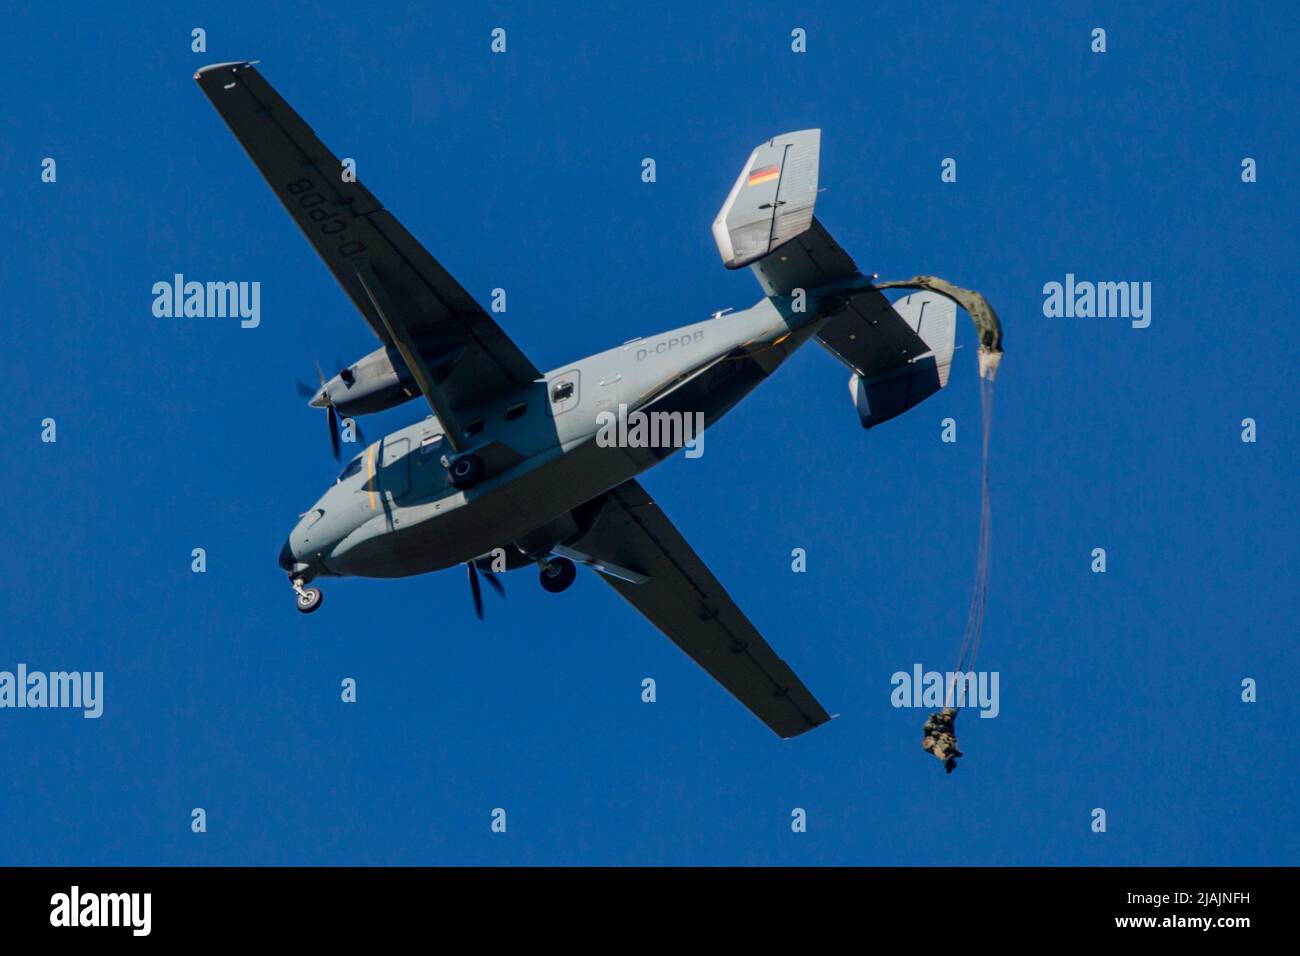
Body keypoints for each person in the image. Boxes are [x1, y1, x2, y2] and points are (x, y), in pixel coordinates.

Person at [922, 707, 962, 773]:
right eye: (947, 716)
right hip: (929, 740)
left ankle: (950, 760)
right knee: (935, 746)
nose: (948, 719)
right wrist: (935, 727)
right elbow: (926, 726)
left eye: (950, 717)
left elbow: (951, 735)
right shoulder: (936, 718)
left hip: (939, 739)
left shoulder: (949, 725)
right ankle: (945, 759)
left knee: (948, 740)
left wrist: (951, 741)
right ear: (944, 715)